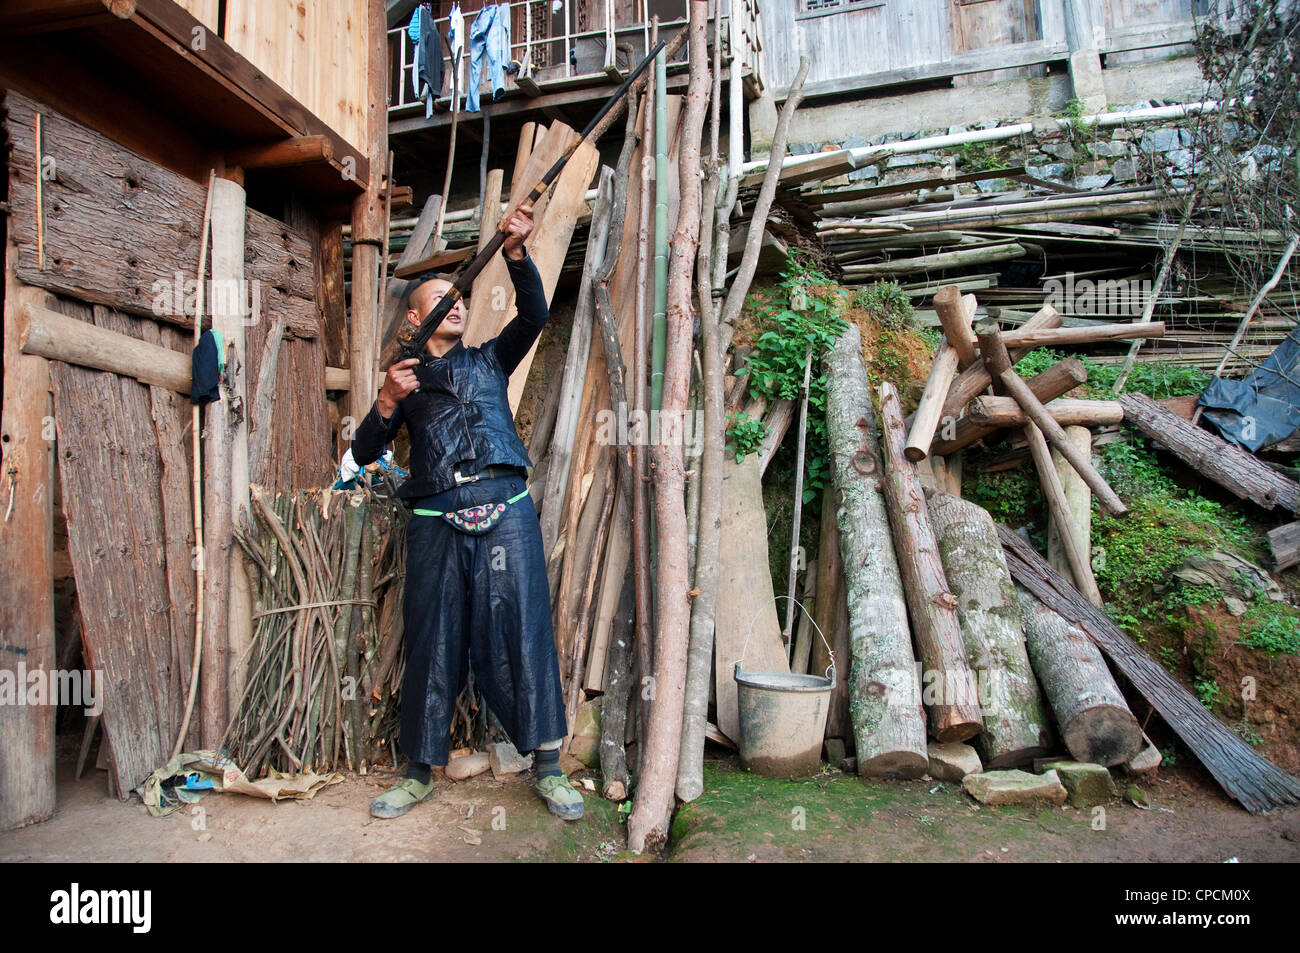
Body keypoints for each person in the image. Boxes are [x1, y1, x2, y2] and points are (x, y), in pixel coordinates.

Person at [350, 204, 582, 821]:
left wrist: (513, 251)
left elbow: (534, 312)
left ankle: (550, 768)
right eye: (442, 298)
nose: (456, 303)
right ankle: (418, 771)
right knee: (434, 636)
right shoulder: (403, 378)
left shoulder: (486, 360)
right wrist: (382, 402)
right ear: (414, 316)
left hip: (505, 507)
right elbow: (364, 453)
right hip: (434, 518)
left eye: (459, 297)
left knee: (523, 628)